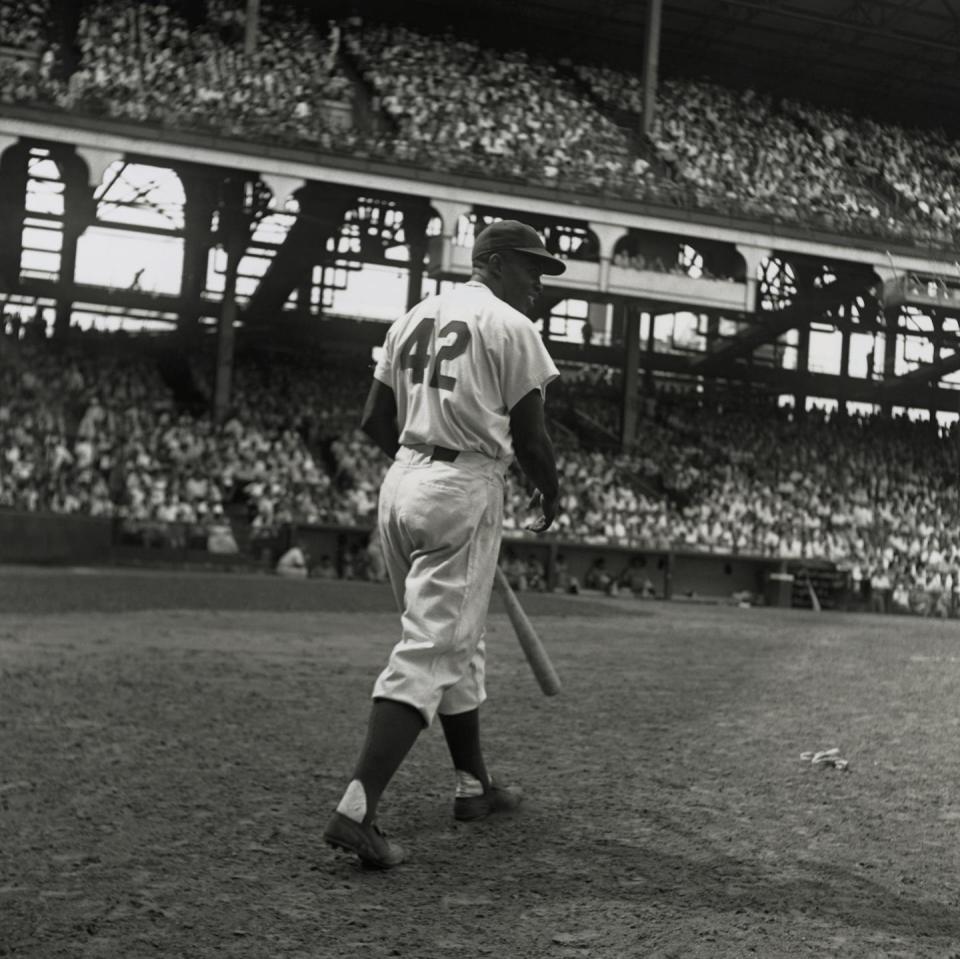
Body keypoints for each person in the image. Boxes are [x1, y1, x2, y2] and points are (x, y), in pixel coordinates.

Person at [323, 220, 564, 869]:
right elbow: (533, 438)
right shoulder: (512, 326)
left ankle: (472, 784)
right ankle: (355, 807)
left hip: (401, 481)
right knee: (435, 647)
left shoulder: (414, 315)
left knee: (460, 640)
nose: (538, 283)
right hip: (462, 484)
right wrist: (549, 492)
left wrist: (423, 468)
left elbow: (375, 418)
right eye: (530, 267)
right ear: (493, 261)